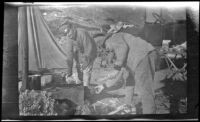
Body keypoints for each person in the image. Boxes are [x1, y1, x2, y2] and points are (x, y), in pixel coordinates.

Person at [95, 32, 160, 114]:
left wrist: (116, 68)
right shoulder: (120, 52)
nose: (109, 50)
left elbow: (122, 48)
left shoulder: (114, 38)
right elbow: (120, 75)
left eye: (107, 49)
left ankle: (149, 115)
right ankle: (128, 105)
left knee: (146, 91)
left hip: (143, 56)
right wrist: (103, 85)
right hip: (141, 57)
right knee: (129, 80)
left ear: (104, 42)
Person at [60, 22, 97, 87]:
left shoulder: (82, 33)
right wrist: (69, 71)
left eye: (69, 32)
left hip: (91, 50)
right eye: (66, 34)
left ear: (73, 29)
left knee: (86, 70)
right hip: (80, 50)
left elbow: (89, 48)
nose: (68, 35)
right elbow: (69, 54)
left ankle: (86, 88)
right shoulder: (69, 37)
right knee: (78, 66)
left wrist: (85, 62)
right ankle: (81, 82)